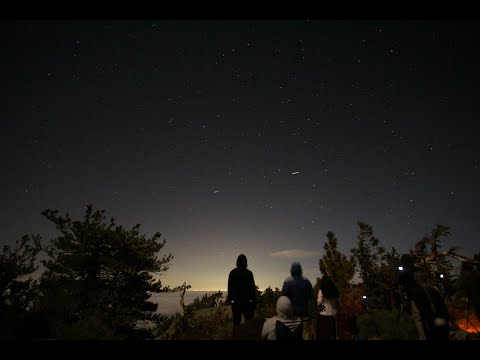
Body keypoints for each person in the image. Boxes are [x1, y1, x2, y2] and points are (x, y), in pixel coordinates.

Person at [281, 262, 314, 338]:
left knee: (290, 333)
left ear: (291, 271)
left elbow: (283, 298)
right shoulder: (307, 281)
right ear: (300, 271)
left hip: (291, 313)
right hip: (304, 312)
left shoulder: (287, 281)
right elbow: (312, 297)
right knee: (301, 332)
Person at [227, 254, 257, 336]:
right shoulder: (249, 273)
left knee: (236, 324)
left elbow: (229, 288)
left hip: (236, 303)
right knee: (249, 324)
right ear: (246, 262)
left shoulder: (232, 273)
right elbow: (252, 289)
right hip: (248, 303)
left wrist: (231, 301)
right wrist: (254, 302)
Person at [316, 275, 339, 340]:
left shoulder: (322, 290)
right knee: (331, 334)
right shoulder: (335, 290)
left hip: (323, 314)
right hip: (332, 315)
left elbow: (319, 302)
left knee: (323, 335)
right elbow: (337, 303)